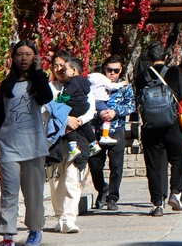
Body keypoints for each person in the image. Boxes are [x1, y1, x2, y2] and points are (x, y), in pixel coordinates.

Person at [0, 40, 53, 246]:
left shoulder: (38, 82)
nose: (23, 58)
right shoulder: (7, 85)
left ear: (35, 58)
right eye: (19, 54)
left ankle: (34, 230)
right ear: (13, 58)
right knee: (9, 192)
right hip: (9, 146)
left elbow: (46, 97)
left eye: (28, 54)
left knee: (33, 194)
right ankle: (7, 235)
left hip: (33, 146)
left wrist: (39, 71)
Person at [135, 41, 182, 217]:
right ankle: (176, 192)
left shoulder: (142, 75)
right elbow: (180, 95)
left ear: (149, 59)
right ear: (165, 57)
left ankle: (158, 204)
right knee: (179, 157)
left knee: (154, 165)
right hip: (171, 123)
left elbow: (138, 99)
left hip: (150, 126)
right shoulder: (173, 71)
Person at [47, 51, 96, 234]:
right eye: (55, 66)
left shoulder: (81, 85)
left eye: (62, 65)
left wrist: (78, 121)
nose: (59, 69)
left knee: (71, 178)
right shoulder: (49, 87)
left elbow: (90, 108)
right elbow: (46, 107)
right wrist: (65, 118)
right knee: (55, 180)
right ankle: (59, 216)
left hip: (76, 138)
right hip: (54, 139)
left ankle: (69, 218)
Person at [89, 55, 135, 211]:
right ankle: (102, 189)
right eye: (110, 70)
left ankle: (113, 198)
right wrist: (97, 114)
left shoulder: (124, 87)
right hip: (97, 129)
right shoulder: (95, 84)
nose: (113, 74)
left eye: (116, 70)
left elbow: (131, 106)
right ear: (104, 69)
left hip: (116, 130)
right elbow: (86, 105)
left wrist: (116, 112)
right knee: (95, 164)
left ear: (121, 70)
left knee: (116, 166)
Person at [56, 57, 100, 162]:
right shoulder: (84, 81)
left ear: (74, 70)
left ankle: (73, 148)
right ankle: (94, 144)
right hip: (84, 106)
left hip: (74, 106)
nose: (64, 71)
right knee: (84, 125)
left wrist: (58, 100)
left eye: (66, 69)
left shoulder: (73, 82)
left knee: (68, 120)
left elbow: (67, 95)